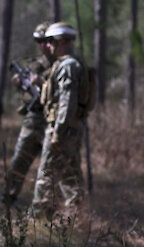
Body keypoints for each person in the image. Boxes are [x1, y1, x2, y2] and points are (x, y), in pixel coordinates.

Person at [32, 22, 89, 219]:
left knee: (46, 175)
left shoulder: (68, 66)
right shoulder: (70, 63)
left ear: (61, 41)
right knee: (71, 176)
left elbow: (67, 102)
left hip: (63, 130)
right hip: (70, 128)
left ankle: (38, 222)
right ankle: (78, 217)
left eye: (50, 41)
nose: (47, 45)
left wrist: (58, 131)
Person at [5, 22, 54, 204]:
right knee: (19, 161)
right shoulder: (34, 64)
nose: (42, 45)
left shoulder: (62, 64)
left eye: (46, 40)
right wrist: (20, 85)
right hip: (33, 118)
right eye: (39, 41)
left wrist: (43, 81)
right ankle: (9, 198)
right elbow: (28, 96)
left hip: (52, 120)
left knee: (49, 167)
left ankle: (49, 207)